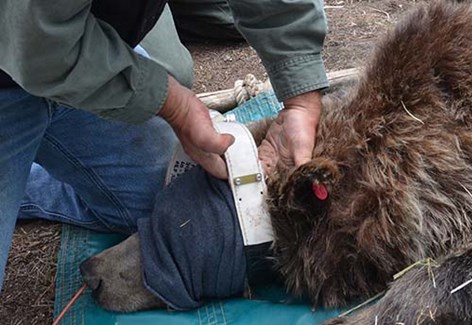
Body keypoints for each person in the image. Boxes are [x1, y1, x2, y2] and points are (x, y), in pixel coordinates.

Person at [0, 0, 328, 293]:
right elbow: (36, 40)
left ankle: (26, 181)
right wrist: (174, 106)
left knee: (165, 199)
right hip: (20, 54)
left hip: (81, 42)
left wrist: (299, 98)